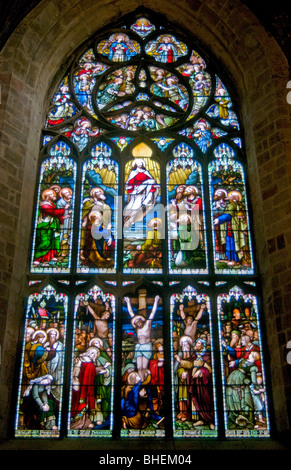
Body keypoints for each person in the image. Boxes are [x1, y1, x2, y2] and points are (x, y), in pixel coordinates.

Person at [124, 295, 160, 381]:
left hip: (147, 346)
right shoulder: (137, 329)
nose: (138, 324)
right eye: (136, 323)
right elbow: (131, 313)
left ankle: (144, 383)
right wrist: (128, 302)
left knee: (144, 367)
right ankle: (140, 383)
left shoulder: (148, 324)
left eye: (138, 322)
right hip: (139, 346)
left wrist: (156, 301)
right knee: (139, 367)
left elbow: (152, 313)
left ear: (141, 320)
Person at [33, 189, 68, 266]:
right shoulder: (44, 205)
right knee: (45, 242)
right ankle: (37, 258)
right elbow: (53, 213)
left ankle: (49, 257)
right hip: (44, 226)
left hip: (52, 226)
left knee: (52, 242)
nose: (54, 195)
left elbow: (56, 216)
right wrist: (64, 209)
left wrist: (63, 218)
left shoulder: (53, 204)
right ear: (47, 196)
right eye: (52, 194)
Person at [124, 158, 159, 228]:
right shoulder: (133, 173)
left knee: (151, 182)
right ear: (135, 164)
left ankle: (131, 220)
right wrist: (128, 187)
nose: (141, 163)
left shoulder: (146, 172)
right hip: (137, 192)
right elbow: (129, 183)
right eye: (139, 162)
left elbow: (152, 180)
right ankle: (127, 220)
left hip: (146, 191)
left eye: (141, 162)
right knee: (135, 207)